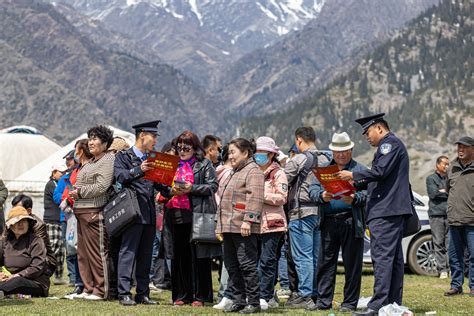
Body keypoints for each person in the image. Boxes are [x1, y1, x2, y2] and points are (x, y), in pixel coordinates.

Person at [338, 113, 413, 315]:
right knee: (394, 259)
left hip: (386, 210)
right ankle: (392, 303)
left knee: (382, 258)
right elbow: (378, 176)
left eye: (368, 132)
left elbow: (379, 172)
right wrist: (354, 183)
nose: (367, 137)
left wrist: (353, 174)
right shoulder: (389, 146)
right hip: (390, 210)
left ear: (379, 128)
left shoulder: (389, 145)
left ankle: (377, 304)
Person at [158, 131, 221, 307]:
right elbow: (161, 187)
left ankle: (200, 296)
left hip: (196, 214)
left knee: (198, 257)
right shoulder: (171, 164)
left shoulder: (204, 163)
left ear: (195, 148)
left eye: (186, 147)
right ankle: (181, 295)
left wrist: (191, 188)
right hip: (174, 214)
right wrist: (170, 191)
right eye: (179, 147)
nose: (182, 150)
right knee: (178, 256)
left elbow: (212, 187)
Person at [308, 132, 367, 312]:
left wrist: (355, 198)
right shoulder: (323, 170)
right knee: (325, 263)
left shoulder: (360, 170)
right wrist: (321, 196)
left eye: (345, 151)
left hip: (351, 221)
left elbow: (370, 195)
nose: (341, 154)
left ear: (351, 150)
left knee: (352, 265)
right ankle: (323, 301)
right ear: (333, 151)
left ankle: (349, 303)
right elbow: (312, 191)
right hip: (328, 222)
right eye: (337, 151)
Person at [114, 120, 161, 306]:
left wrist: (172, 189)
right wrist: (138, 170)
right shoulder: (123, 156)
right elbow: (120, 176)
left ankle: (143, 293)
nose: (155, 140)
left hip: (148, 213)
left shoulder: (154, 158)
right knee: (128, 252)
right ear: (142, 135)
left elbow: (158, 185)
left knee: (146, 255)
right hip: (132, 212)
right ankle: (124, 293)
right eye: (153, 136)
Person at [217, 138, 265, 314]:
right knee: (232, 265)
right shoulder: (234, 171)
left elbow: (256, 198)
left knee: (247, 265)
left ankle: (253, 302)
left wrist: (248, 220)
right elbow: (223, 200)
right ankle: (238, 300)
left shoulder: (253, 171)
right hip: (228, 226)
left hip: (243, 227)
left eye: (233, 152)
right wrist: (219, 225)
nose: (230, 156)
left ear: (245, 153)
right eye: (229, 152)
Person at [68, 125, 115, 301]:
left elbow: (102, 186)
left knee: (97, 253)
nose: (91, 142)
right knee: (83, 254)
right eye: (90, 138)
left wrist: (80, 192)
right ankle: (88, 288)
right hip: (81, 211)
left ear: (105, 143)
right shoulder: (93, 161)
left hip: (94, 211)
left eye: (95, 138)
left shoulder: (107, 160)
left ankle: (101, 290)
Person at [284, 127, 328, 309]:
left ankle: (305, 295)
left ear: (299, 140)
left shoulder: (298, 159)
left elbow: (283, 180)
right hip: (319, 212)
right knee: (314, 256)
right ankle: (316, 293)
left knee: (302, 257)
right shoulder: (327, 158)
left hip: (300, 213)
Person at [254, 137, 288, 310]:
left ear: (271, 154)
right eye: (257, 151)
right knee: (255, 261)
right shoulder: (253, 171)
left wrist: (261, 196)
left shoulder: (278, 173)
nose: (258, 155)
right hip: (254, 223)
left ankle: (264, 295)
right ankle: (260, 293)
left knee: (267, 260)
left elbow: (282, 198)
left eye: (261, 152)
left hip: (273, 224)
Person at [59, 139, 92, 299]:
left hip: (84, 211)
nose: (75, 153)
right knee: (74, 249)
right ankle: (79, 283)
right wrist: (65, 200)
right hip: (72, 213)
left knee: (83, 250)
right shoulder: (75, 170)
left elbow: (79, 189)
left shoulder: (88, 168)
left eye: (77, 150)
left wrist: (68, 200)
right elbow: (68, 188)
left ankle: (85, 284)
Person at [444, 136, 474, 297]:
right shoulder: (452, 168)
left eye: (465, 147)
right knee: (455, 257)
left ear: (473, 149)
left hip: (472, 221)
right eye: (459, 147)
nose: (460, 150)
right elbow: (449, 190)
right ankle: (456, 286)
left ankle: (473, 286)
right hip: (454, 220)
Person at [0, 206, 50, 297]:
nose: (21, 224)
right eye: (17, 222)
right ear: (10, 226)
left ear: (28, 223)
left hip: (34, 282)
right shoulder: (5, 242)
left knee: (18, 281)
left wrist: (18, 275)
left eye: (24, 221)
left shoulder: (36, 241)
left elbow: (37, 267)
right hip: (8, 280)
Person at [11, 194, 57, 279]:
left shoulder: (38, 225)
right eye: (13, 209)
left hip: (43, 260)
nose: (15, 213)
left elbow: (38, 250)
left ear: (29, 211)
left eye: (19, 210)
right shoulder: (11, 222)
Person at [213, 144, 235, 310]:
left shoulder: (218, 171)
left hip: (221, 217)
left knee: (226, 259)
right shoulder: (229, 173)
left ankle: (223, 294)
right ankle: (226, 294)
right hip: (230, 218)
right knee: (230, 259)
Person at [426, 155, 450, 279]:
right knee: (438, 242)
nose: (446, 166)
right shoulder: (431, 178)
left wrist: (443, 191)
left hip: (449, 214)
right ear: (437, 165)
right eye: (444, 164)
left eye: (448, 164)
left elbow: (453, 192)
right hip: (436, 215)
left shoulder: (450, 178)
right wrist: (445, 192)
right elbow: (433, 194)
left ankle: (450, 268)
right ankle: (442, 269)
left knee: (449, 243)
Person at [43, 164, 67, 285]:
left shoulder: (57, 184)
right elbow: (61, 197)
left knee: (61, 251)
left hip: (58, 220)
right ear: (53, 172)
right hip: (51, 221)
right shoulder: (51, 184)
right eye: (60, 172)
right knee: (52, 250)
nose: (62, 174)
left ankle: (58, 276)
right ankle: (45, 275)